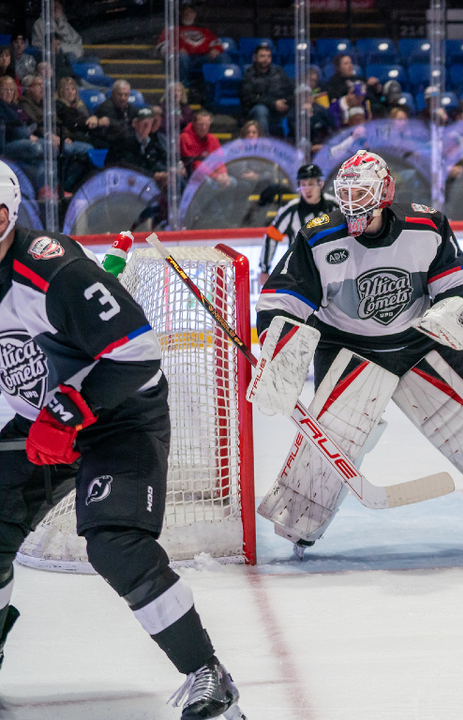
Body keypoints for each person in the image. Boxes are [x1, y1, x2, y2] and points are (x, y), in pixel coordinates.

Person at [0, 163, 244, 718]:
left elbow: (137, 353)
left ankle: (209, 677)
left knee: (114, 543)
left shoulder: (52, 272)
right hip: (42, 418)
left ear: (11, 216)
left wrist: (65, 412)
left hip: (119, 416)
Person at [254, 150, 463, 551]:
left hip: (418, 343)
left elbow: (456, 285)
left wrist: (453, 312)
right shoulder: (318, 235)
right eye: (347, 192)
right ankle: (299, 526)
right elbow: (280, 300)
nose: (353, 203)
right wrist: (277, 348)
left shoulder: (426, 225)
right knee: (334, 440)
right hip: (349, 348)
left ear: (384, 192)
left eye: (362, 192)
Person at [258, 163, 337, 279]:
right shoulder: (290, 210)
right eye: (303, 185)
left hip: (331, 268)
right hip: (300, 273)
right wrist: (264, 270)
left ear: (321, 183)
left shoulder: (334, 206)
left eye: (311, 184)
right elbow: (271, 237)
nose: (307, 190)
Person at [239, 43, 293, 136]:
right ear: (254, 57)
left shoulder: (279, 73)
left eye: (268, 56)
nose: (266, 59)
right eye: (262, 56)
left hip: (279, 110)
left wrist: (287, 101)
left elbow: (290, 89)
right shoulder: (248, 76)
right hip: (257, 112)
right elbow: (249, 99)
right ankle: (264, 145)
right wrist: (273, 104)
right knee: (261, 110)